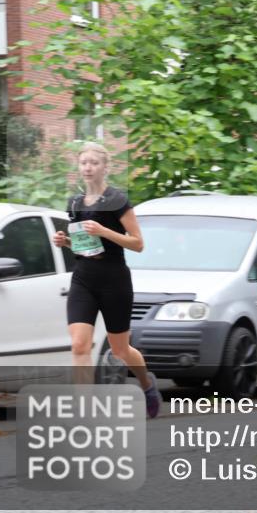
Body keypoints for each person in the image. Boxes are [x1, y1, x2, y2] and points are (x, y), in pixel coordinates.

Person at [51, 142, 160, 418]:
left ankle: (147, 385)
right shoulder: (74, 203)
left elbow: (137, 244)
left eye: (93, 163)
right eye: (83, 162)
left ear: (105, 167)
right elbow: (83, 245)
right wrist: (66, 242)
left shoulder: (117, 200)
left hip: (114, 279)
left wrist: (104, 230)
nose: (87, 167)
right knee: (79, 344)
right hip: (83, 278)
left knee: (120, 349)